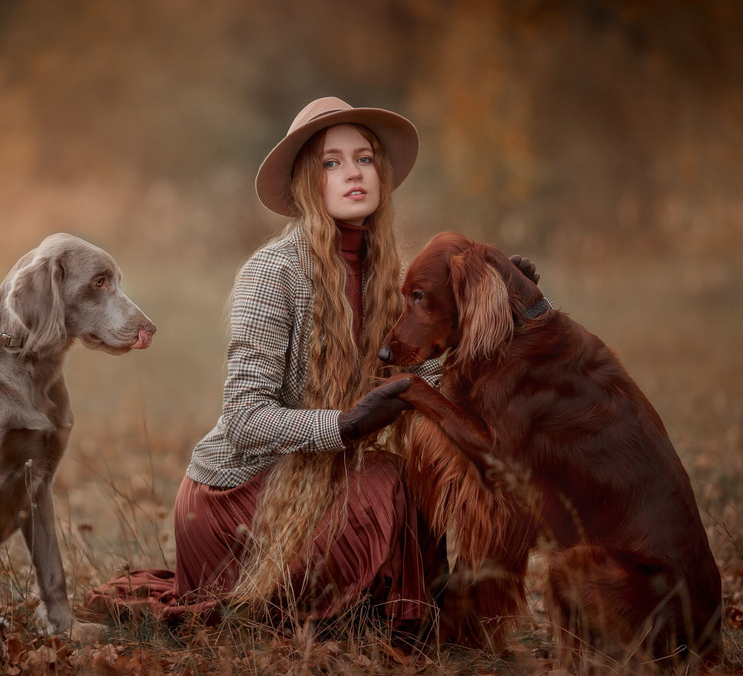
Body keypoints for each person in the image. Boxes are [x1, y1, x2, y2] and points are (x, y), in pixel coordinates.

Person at [88, 97, 472, 633]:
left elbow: (421, 378)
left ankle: (409, 617)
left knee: (411, 479)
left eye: (363, 158)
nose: (352, 173)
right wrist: (346, 425)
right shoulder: (273, 273)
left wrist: (495, 310)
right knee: (386, 480)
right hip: (233, 496)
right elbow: (246, 419)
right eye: (331, 163)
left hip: (319, 482)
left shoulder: (391, 275)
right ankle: (367, 614)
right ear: (305, 185)